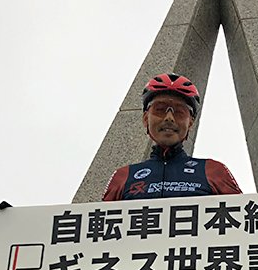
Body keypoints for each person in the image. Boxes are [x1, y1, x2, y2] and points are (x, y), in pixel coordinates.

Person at [102, 73, 242, 201]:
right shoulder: (123, 176)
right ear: (146, 118)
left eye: (180, 112)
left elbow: (245, 222)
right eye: (160, 109)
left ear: (190, 123)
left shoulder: (213, 170)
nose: (169, 118)